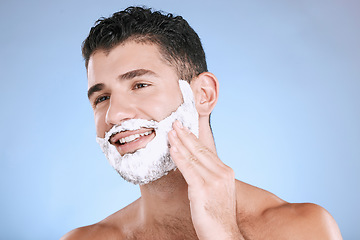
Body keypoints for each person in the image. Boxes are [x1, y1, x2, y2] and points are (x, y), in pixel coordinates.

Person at [61, 6, 342, 240]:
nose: (113, 115)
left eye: (140, 84)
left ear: (203, 95)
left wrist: (224, 232)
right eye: (101, 98)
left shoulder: (303, 229)